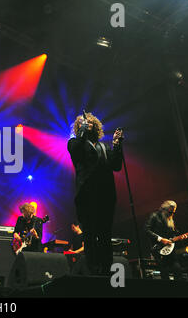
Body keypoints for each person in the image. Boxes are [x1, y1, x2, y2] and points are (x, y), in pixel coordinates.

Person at [67, 112, 123, 275]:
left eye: (90, 120)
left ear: (96, 125)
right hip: (86, 196)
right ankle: (93, 272)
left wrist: (117, 145)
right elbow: (76, 153)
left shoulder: (104, 147)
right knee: (90, 235)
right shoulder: (74, 143)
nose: (88, 122)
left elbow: (116, 165)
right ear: (80, 126)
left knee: (105, 235)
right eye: (84, 121)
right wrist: (82, 133)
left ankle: (107, 271)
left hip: (106, 196)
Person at [145, 200, 187, 280]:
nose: (172, 214)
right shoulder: (154, 216)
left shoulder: (171, 220)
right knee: (165, 274)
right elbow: (146, 230)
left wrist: (181, 238)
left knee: (178, 271)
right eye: (170, 212)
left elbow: (173, 235)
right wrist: (160, 239)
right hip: (159, 249)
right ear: (164, 209)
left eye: (173, 213)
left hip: (171, 250)